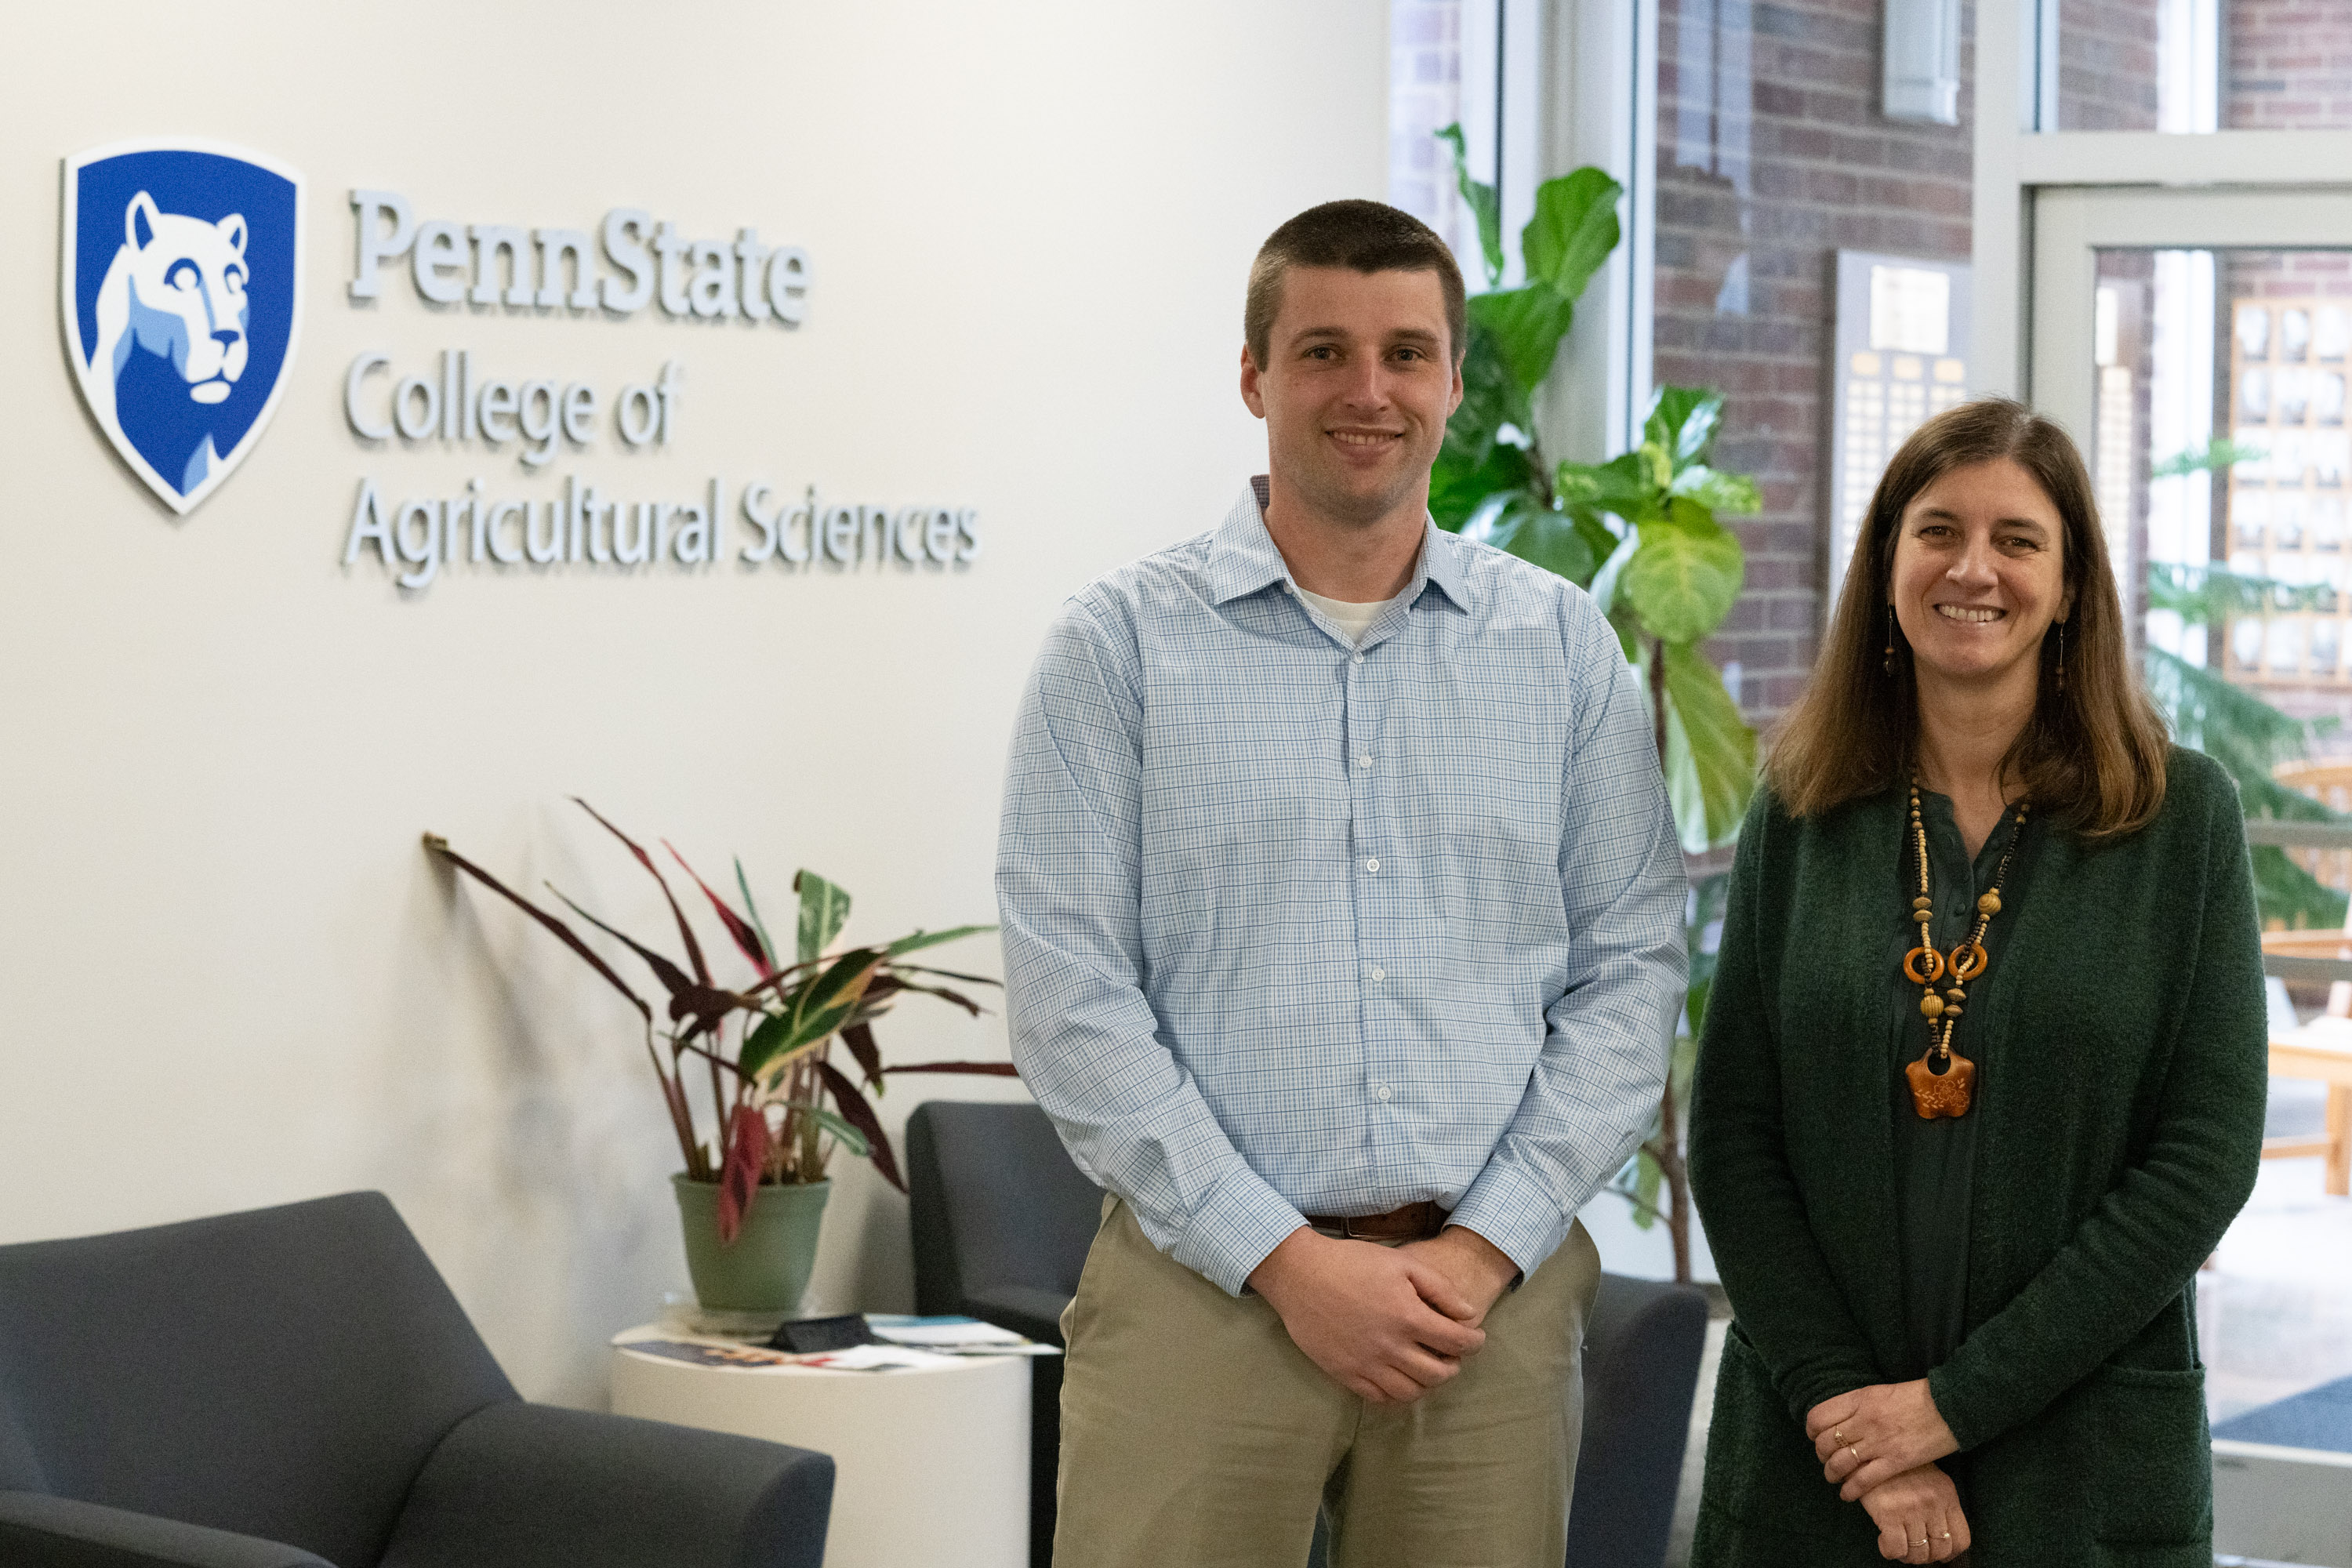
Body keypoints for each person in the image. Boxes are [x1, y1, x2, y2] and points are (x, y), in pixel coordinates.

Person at [996, 199, 1688, 1567]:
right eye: (1323, 351)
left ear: (1449, 381)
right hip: (1204, 1298)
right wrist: (1287, 1262)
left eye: (1406, 354)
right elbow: (1072, 999)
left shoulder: (1557, 648)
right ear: (1254, 376)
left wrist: (1485, 1247)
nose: (1367, 392)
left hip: (1480, 1316)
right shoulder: (1117, 651)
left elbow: (1633, 970)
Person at [1686, 397, 2268, 1566]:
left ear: (2070, 586)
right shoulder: (1801, 812)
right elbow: (1735, 1138)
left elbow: (2203, 1155)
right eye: (1938, 530)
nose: (1974, 569)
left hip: (2082, 1462)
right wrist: (1854, 1414)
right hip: (1822, 1468)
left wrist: (1946, 1409)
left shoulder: (2180, 816)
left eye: (2018, 540)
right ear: (1889, 564)